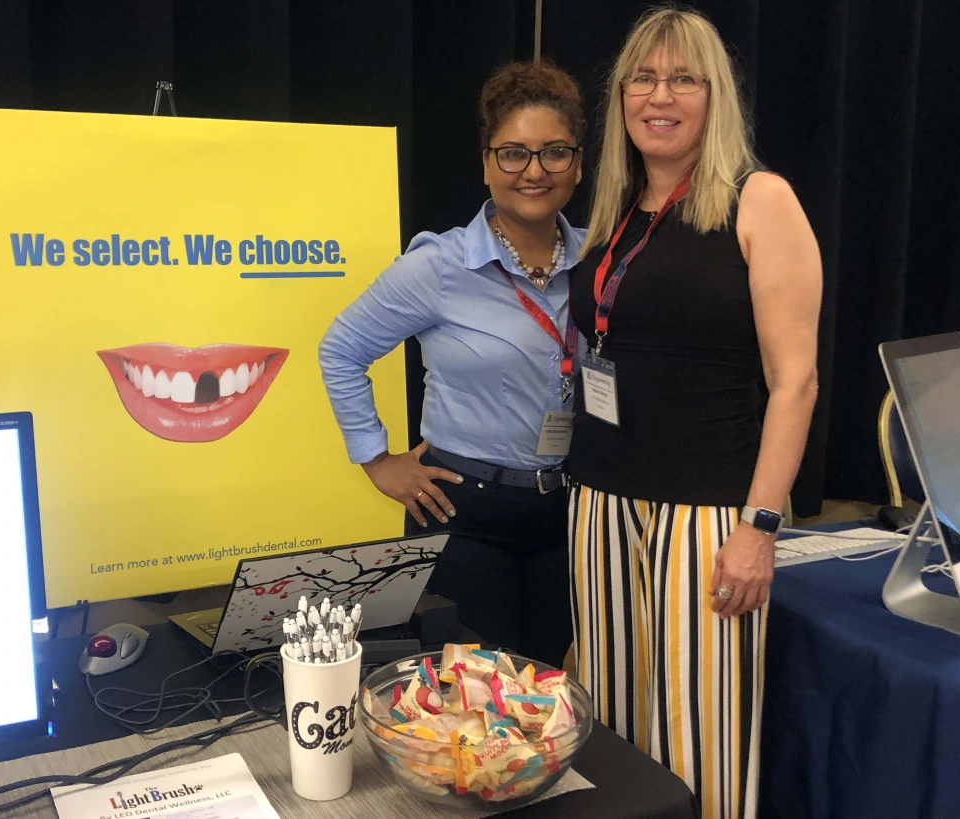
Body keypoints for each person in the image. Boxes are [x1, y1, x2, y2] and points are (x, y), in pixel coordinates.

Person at [566, 7, 821, 818]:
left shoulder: (759, 199)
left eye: (683, 77)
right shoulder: (614, 213)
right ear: (621, 97)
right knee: (607, 731)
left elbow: (797, 381)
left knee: (699, 738)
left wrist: (760, 526)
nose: (659, 94)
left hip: (707, 516)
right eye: (643, 77)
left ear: (715, 98)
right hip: (600, 499)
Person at [318, 61, 586, 668]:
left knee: (549, 689)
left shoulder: (598, 261)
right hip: (467, 516)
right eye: (514, 153)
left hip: (568, 514)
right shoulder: (438, 267)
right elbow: (341, 349)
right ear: (487, 162)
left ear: (577, 162)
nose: (534, 171)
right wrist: (377, 461)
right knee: (472, 698)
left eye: (554, 153)